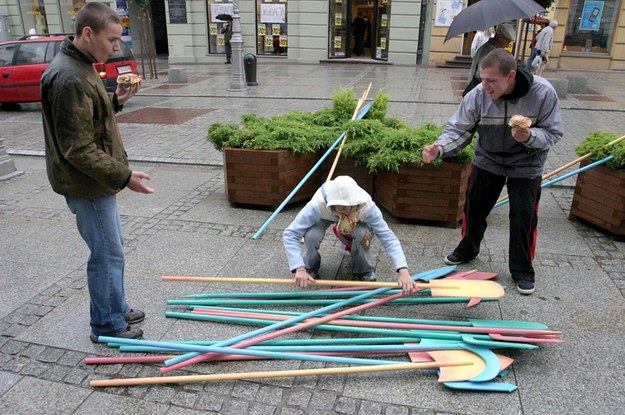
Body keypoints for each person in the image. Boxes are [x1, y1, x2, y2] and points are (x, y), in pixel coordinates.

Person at [40, 2, 155, 342]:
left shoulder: (83, 65)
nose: (116, 47)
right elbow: (77, 148)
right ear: (87, 33)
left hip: (94, 180)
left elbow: (89, 122)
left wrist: (116, 100)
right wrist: (123, 176)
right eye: (111, 39)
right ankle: (106, 324)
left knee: (112, 247)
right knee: (105, 252)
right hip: (87, 183)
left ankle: (116, 307)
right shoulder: (70, 77)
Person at [421, 49, 563, 295]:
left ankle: (522, 269)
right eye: (482, 78)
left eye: (491, 80)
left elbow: (554, 133)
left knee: (523, 217)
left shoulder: (542, 92)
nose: (484, 85)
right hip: (488, 158)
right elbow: (460, 129)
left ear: (510, 75)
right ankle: (468, 248)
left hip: (527, 164)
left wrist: (530, 136)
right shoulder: (478, 94)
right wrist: (440, 149)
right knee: (474, 207)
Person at [283, 176, 416, 295]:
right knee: (312, 236)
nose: (347, 212)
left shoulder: (367, 206)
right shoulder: (316, 205)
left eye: (351, 207)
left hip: (357, 221)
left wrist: (403, 271)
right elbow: (291, 233)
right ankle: (309, 266)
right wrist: (298, 268)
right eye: (342, 208)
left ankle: (363, 269)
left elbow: (387, 236)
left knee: (363, 235)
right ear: (333, 206)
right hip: (324, 216)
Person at [465, 23, 516, 96]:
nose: (507, 45)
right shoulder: (492, 50)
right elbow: (481, 73)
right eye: (507, 41)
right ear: (500, 38)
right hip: (481, 88)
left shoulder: (490, 47)